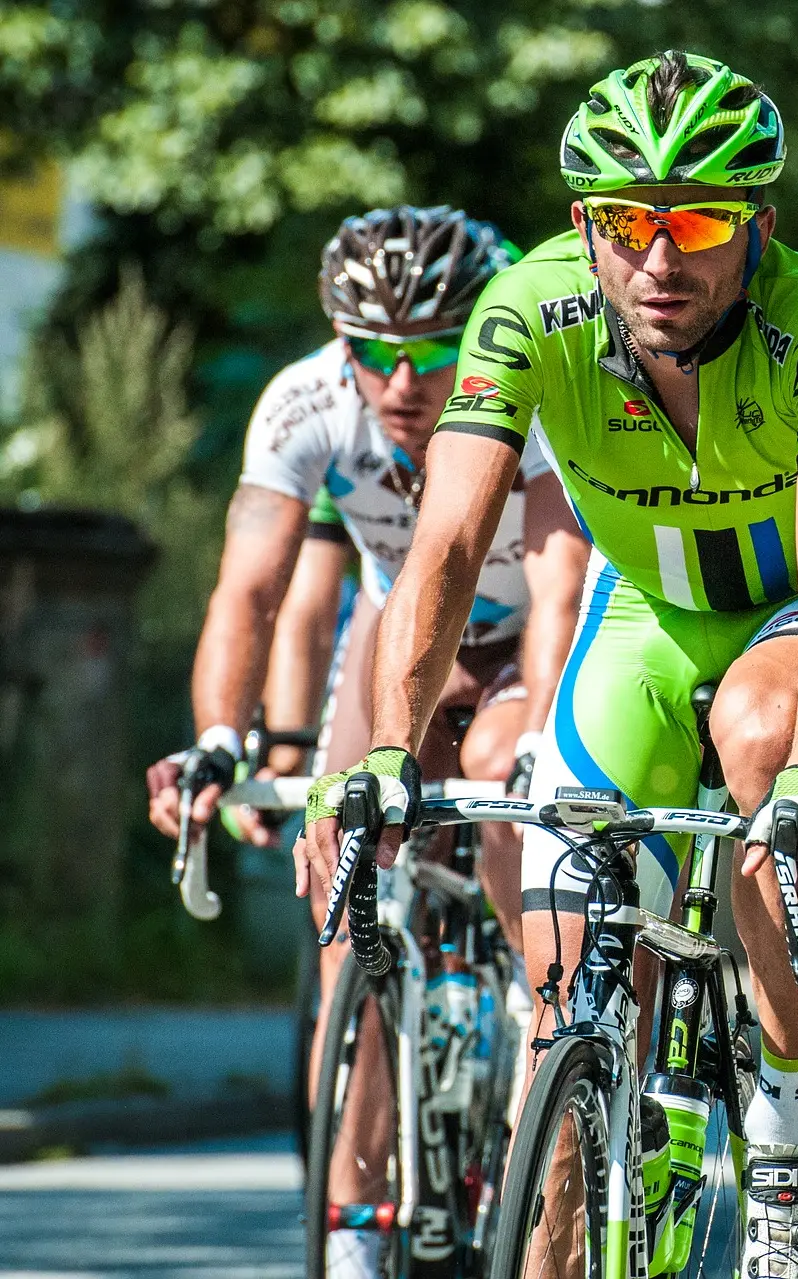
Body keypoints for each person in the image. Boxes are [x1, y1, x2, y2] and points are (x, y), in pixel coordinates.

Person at [295, 52, 798, 1279]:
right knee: (567, 999)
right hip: (649, 613)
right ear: (587, 224)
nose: (660, 259)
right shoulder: (526, 308)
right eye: (629, 223)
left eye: (697, 222)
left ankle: (783, 1146)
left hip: (794, 612)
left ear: (758, 228)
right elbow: (452, 543)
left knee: (752, 743)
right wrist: (378, 749)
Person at [144, 204, 587, 1279]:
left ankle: (536, 1062)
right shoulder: (304, 402)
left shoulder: (527, 392)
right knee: (344, 899)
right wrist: (218, 738)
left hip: (532, 643)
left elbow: (565, 582)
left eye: (432, 350)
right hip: (405, 646)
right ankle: (351, 1219)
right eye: (375, 353)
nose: (404, 381)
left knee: (501, 806)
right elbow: (248, 592)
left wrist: (546, 745)